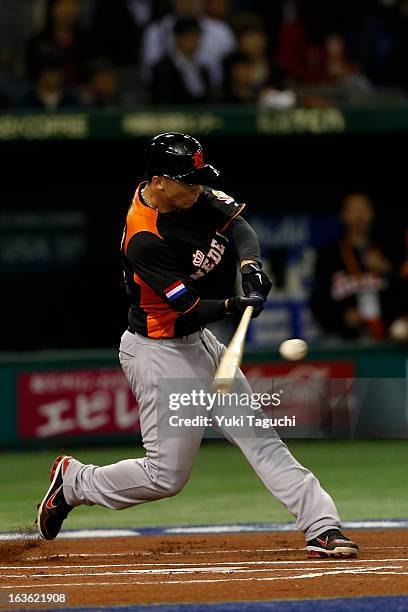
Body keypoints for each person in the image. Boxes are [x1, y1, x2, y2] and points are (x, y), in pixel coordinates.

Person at [36, 132, 358, 560]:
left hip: (198, 342)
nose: (198, 188)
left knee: (260, 438)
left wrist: (249, 265)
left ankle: (322, 526)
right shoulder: (144, 239)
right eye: (188, 181)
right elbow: (185, 307)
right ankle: (75, 482)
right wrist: (233, 303)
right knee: (166, 476)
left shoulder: (189, 194)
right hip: (158, 351)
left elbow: (239, 227)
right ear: (159, 182)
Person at [310, 193, 407, 340]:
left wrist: (388, 270)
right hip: (344, 338)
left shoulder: (389, 250)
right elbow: (319, 300)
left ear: (372, 213)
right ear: (343, 215)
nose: (359, 215)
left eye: (364, 208)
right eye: (354, 209)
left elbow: (403, 294)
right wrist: (343, 315)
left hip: (388, 336)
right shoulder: (329, 255)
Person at [150, 17, 212, 105]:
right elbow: (162, 103)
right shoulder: (163, 69)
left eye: (197, 36)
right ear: (177, 38)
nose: (195, 41)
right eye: (190, 36)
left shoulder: (203, 69)